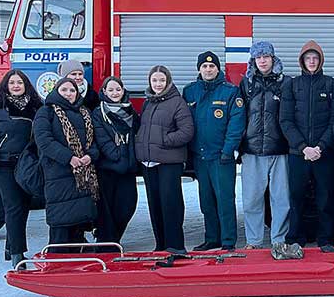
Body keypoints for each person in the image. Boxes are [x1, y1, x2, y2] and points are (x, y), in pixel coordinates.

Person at [279, 40, 334, 249]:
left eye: (315, 58)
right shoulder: (291, 85)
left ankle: (325, 238)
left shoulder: (332, 85)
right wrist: (302, 147)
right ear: (302, 61)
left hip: (324, 154)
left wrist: (320, 147)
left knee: (325, 198)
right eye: (308, 58)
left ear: (321, 60)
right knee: (296, 197)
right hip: (298, 154)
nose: (312, 61)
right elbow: (285, 120)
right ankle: (295, 238)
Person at [183, 51, 245, 251]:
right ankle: (212, 239)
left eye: (212, 66)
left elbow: (236, 123)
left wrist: (228, 150)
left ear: (218, 69)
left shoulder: (230, 92)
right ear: (199, 69)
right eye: (204, 66)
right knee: (206, 201)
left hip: (221, 157)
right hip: (200, 157)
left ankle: (228, 241)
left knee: (225, 200)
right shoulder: (190, 91)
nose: (208, 70)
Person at [0, 69, 42, 268]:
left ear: (26, 85)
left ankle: (10, 245)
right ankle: (18, 254)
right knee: (14, 206)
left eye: (20, 83)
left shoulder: (35, 106)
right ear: (6, 86)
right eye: (12, 83)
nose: (16, 86)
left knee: (23, 206)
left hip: (27, 164)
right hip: (4, 164)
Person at [33, 77, 99, 248]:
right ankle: (56, 260)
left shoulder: (84, 112)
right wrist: (68, 157)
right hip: (58, 173)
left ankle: (76, 261)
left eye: (72, 90)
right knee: (60, 223)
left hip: (82, 174)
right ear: (56, 91)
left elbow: (94, 142)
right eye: (64, 90)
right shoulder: (46, 112)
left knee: (78, 222)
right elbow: (44, 140)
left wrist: (90, 156)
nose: (68, 94)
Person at [135, 65, 194, 254]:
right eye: (154, 80)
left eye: (162, 80)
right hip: (149, 163)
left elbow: (186, 131)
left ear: (168, 81)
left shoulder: (177, 102)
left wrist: (163, 141)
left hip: (169, 163)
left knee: (171, 205)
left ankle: (175, 246)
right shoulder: (148, 102)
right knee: (155, 206)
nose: (158, 84)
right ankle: (160, 245)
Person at [239, 41, 289, 250]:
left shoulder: (285, 82)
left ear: (273, 58)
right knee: (252, 200)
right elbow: (239, 116)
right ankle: (254, 241)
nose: (262, 60)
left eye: (266, 56)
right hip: (251, 151)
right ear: (253, 60)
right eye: (258, 57)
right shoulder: (246, 83)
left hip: (279, 150)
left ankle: (279, 239)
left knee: (281, 200)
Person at [92, 76, 139, 245]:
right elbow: (101, 139)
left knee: (127, 207)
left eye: (118, 89)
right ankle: (106, 242)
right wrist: (119, 154)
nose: (115, 93)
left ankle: (114, 238)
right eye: (110, 90)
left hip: (128, 169)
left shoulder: (131, 112)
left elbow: (136, 137)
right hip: (108, 169)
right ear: (104, 92)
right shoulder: (98, 113)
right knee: (107, 210)